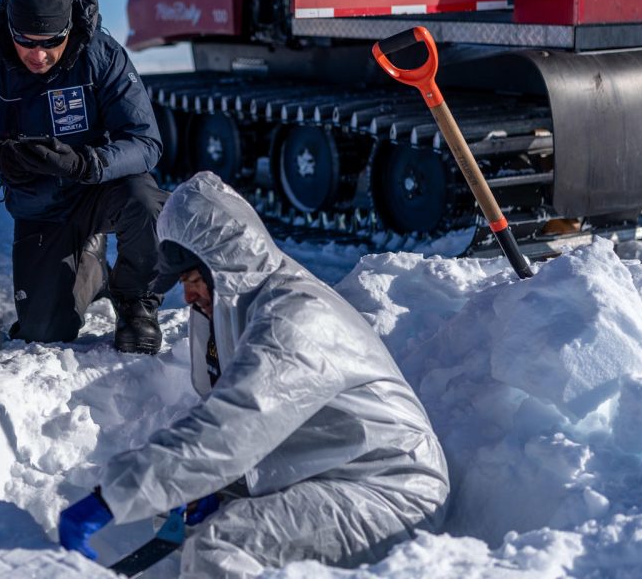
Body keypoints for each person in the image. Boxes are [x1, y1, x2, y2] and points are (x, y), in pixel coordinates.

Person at [58, 172, 450, 576]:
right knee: (183, 519)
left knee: (221, 546)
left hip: (387, 488)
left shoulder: (295, 318)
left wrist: (111, 497)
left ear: (222, 266)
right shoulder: (236, 309)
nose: (188, 296)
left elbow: (233, 425)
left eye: (193, 280)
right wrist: (212, 487)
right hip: (327, 470)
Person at [0, 0, 166, 352]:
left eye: (51, 42)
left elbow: (146, 142)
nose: (38, 55)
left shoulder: (102, 54)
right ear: (9, 28)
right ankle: (92, 271)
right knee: (44, 330)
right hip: (40, 206)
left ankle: (135, 304)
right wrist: (0, 157)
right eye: (26, 42)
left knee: (146, 202)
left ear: (69, 29)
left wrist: (88, 163)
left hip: (100, 188)